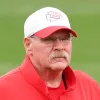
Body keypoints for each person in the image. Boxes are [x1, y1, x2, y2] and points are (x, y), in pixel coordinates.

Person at [0, 7, 100, 100]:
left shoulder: (88, 86)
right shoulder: (3, 91)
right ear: (28, 44)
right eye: (49, 40)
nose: (60, 47)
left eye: (65, 39)